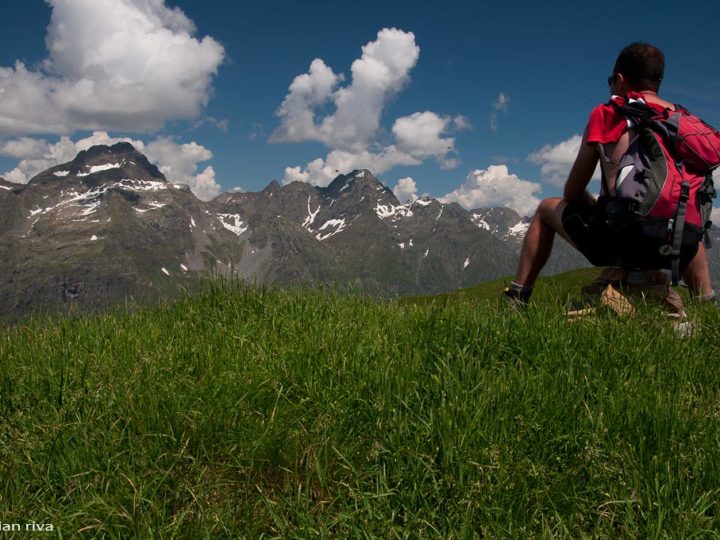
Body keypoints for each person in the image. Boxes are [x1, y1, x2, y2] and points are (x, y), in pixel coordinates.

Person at [503, 42, 715, 306]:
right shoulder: (683, 121)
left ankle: (517, 296)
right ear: (657, 80)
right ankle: (706, 304)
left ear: (620, 80)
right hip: (678, 248)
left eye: (610, 81)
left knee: (546, 209)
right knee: (685, 217)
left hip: (622, 239)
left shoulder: (608, 114)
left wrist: (597, 205)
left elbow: (573, 191)